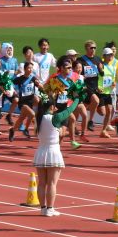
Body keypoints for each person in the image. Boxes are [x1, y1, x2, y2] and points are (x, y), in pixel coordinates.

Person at [34, 56, 81, 217]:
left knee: (42, 182)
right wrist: (77, 99)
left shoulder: (39, 118)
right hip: (53, 152)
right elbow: (70, 110)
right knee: (52, 183)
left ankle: (43, 208)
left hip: (41, 151)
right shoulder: (56, 117)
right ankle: (50, 208)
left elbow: (44, 97)